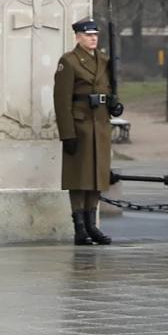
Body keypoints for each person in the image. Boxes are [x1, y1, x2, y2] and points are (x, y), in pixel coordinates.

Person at [54, 16, 116, 246]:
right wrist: (67, 133)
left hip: (100, 125)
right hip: (80, 127)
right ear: (78, 37)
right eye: (88, 35)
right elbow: (61, 102)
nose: (93, 39)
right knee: (79, 178)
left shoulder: (105, 60)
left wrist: (114, 104)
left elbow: (108, 90)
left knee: (96, 178)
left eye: (95, 35)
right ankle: (80, 228)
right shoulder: (69, 62)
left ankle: (92, 225)